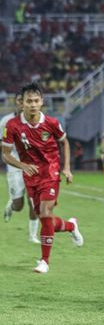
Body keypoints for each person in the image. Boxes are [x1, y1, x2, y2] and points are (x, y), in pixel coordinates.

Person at [2, 83, 83, 273]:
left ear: (42, 102)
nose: (32, 104)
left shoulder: (52, 123)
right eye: (29, 101)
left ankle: (44, 261)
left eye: (36, 101)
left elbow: (64, 142)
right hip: (30, 176)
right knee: (45, 219)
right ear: (22, 103)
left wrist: (67, 168)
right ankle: (71, 225)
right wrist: (22, 165)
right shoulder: (12, 125)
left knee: (45, 212)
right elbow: (5, 154)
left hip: (50, 171)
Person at [0, 92, 40, 243]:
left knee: (34, 201)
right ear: (18, 102)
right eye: (19, 100)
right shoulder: (6, 121)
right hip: (15, 166)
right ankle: (12, 203)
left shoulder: (37, 119)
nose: (22, 103)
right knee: (19, 206)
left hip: (32, 166)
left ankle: (32, 236)